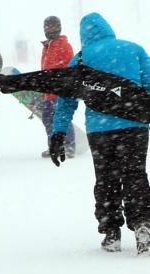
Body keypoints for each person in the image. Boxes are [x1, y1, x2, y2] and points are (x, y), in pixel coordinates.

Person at [50, 12, 150, 254]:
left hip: (100, 130)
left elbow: (66, 101)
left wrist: (58, 133)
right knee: (135, 174)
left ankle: (111, 232)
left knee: (106, 178)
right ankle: (143, 225)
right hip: (135, 128)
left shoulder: (81, 60)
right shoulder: (134, 50)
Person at [41, 16, 75, 158]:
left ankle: (69, 146)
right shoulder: (47, 46)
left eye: (54, 26)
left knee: (61, 118)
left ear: (59, 27)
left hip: (60, 92)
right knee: (48, 119)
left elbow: (71, 68)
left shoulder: (63, 45)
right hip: (48, 93)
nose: (51, 29)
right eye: (48, 27)